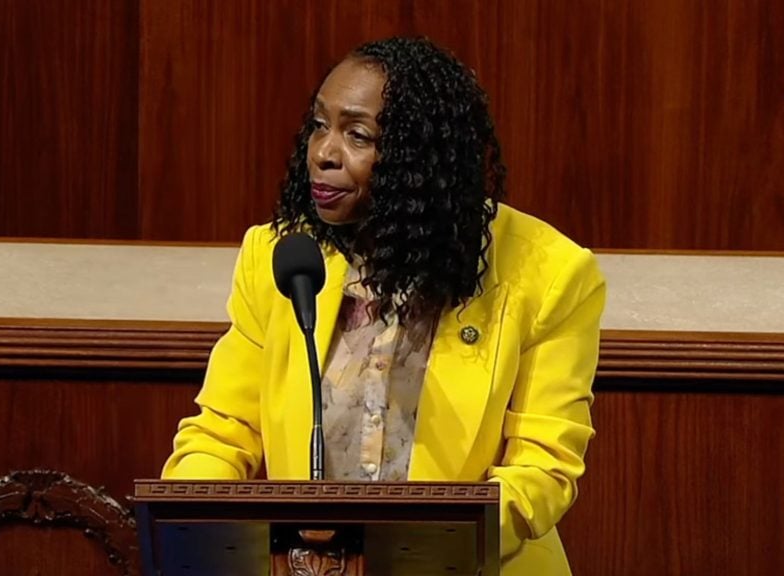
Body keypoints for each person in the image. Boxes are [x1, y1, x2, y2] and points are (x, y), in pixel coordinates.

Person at [162, 36, 606, 575]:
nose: (323, 153)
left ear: (420, 157)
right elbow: (224, 429)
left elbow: (542, 469)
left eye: (357, 135)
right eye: (318, 125)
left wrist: (416, 549)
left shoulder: (551, 274)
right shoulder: (281, 256)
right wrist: (192, 526)